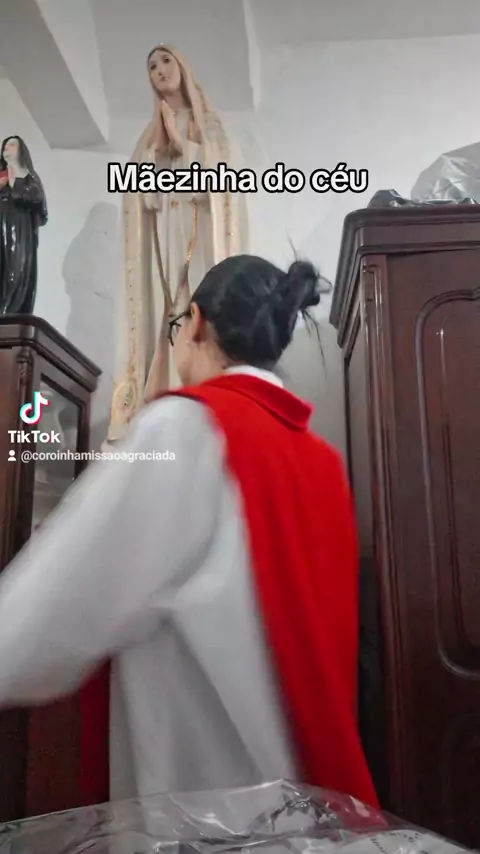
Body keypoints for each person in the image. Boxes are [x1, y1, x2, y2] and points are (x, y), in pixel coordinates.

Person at [0, 254, 378, 809]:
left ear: (195, 322)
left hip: (202, 810)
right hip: (305, 807)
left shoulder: (182, 428)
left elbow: (53, 606)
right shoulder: (320, 459)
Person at [107, 44, 248, 442]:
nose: (159, 70)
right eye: (152, 66)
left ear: (182, 67)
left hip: (199, 234)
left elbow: (221, 182)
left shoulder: (210, 130)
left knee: (197, 301)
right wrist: (158, 150)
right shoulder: (147, 140)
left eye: (166, 61)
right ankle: (164, 384)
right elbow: (146, 200)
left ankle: (206, 382)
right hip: (165, 235)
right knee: (168, 307)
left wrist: (184, 146)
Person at [0, 135, 48, 314]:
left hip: (20, 231)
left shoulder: (29, 177)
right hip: (1, 229)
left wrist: (15, 183)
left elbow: (37, 200)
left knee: (17, 269)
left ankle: (11, 311)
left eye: (12, 145)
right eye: (5, 146)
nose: (7, 148)